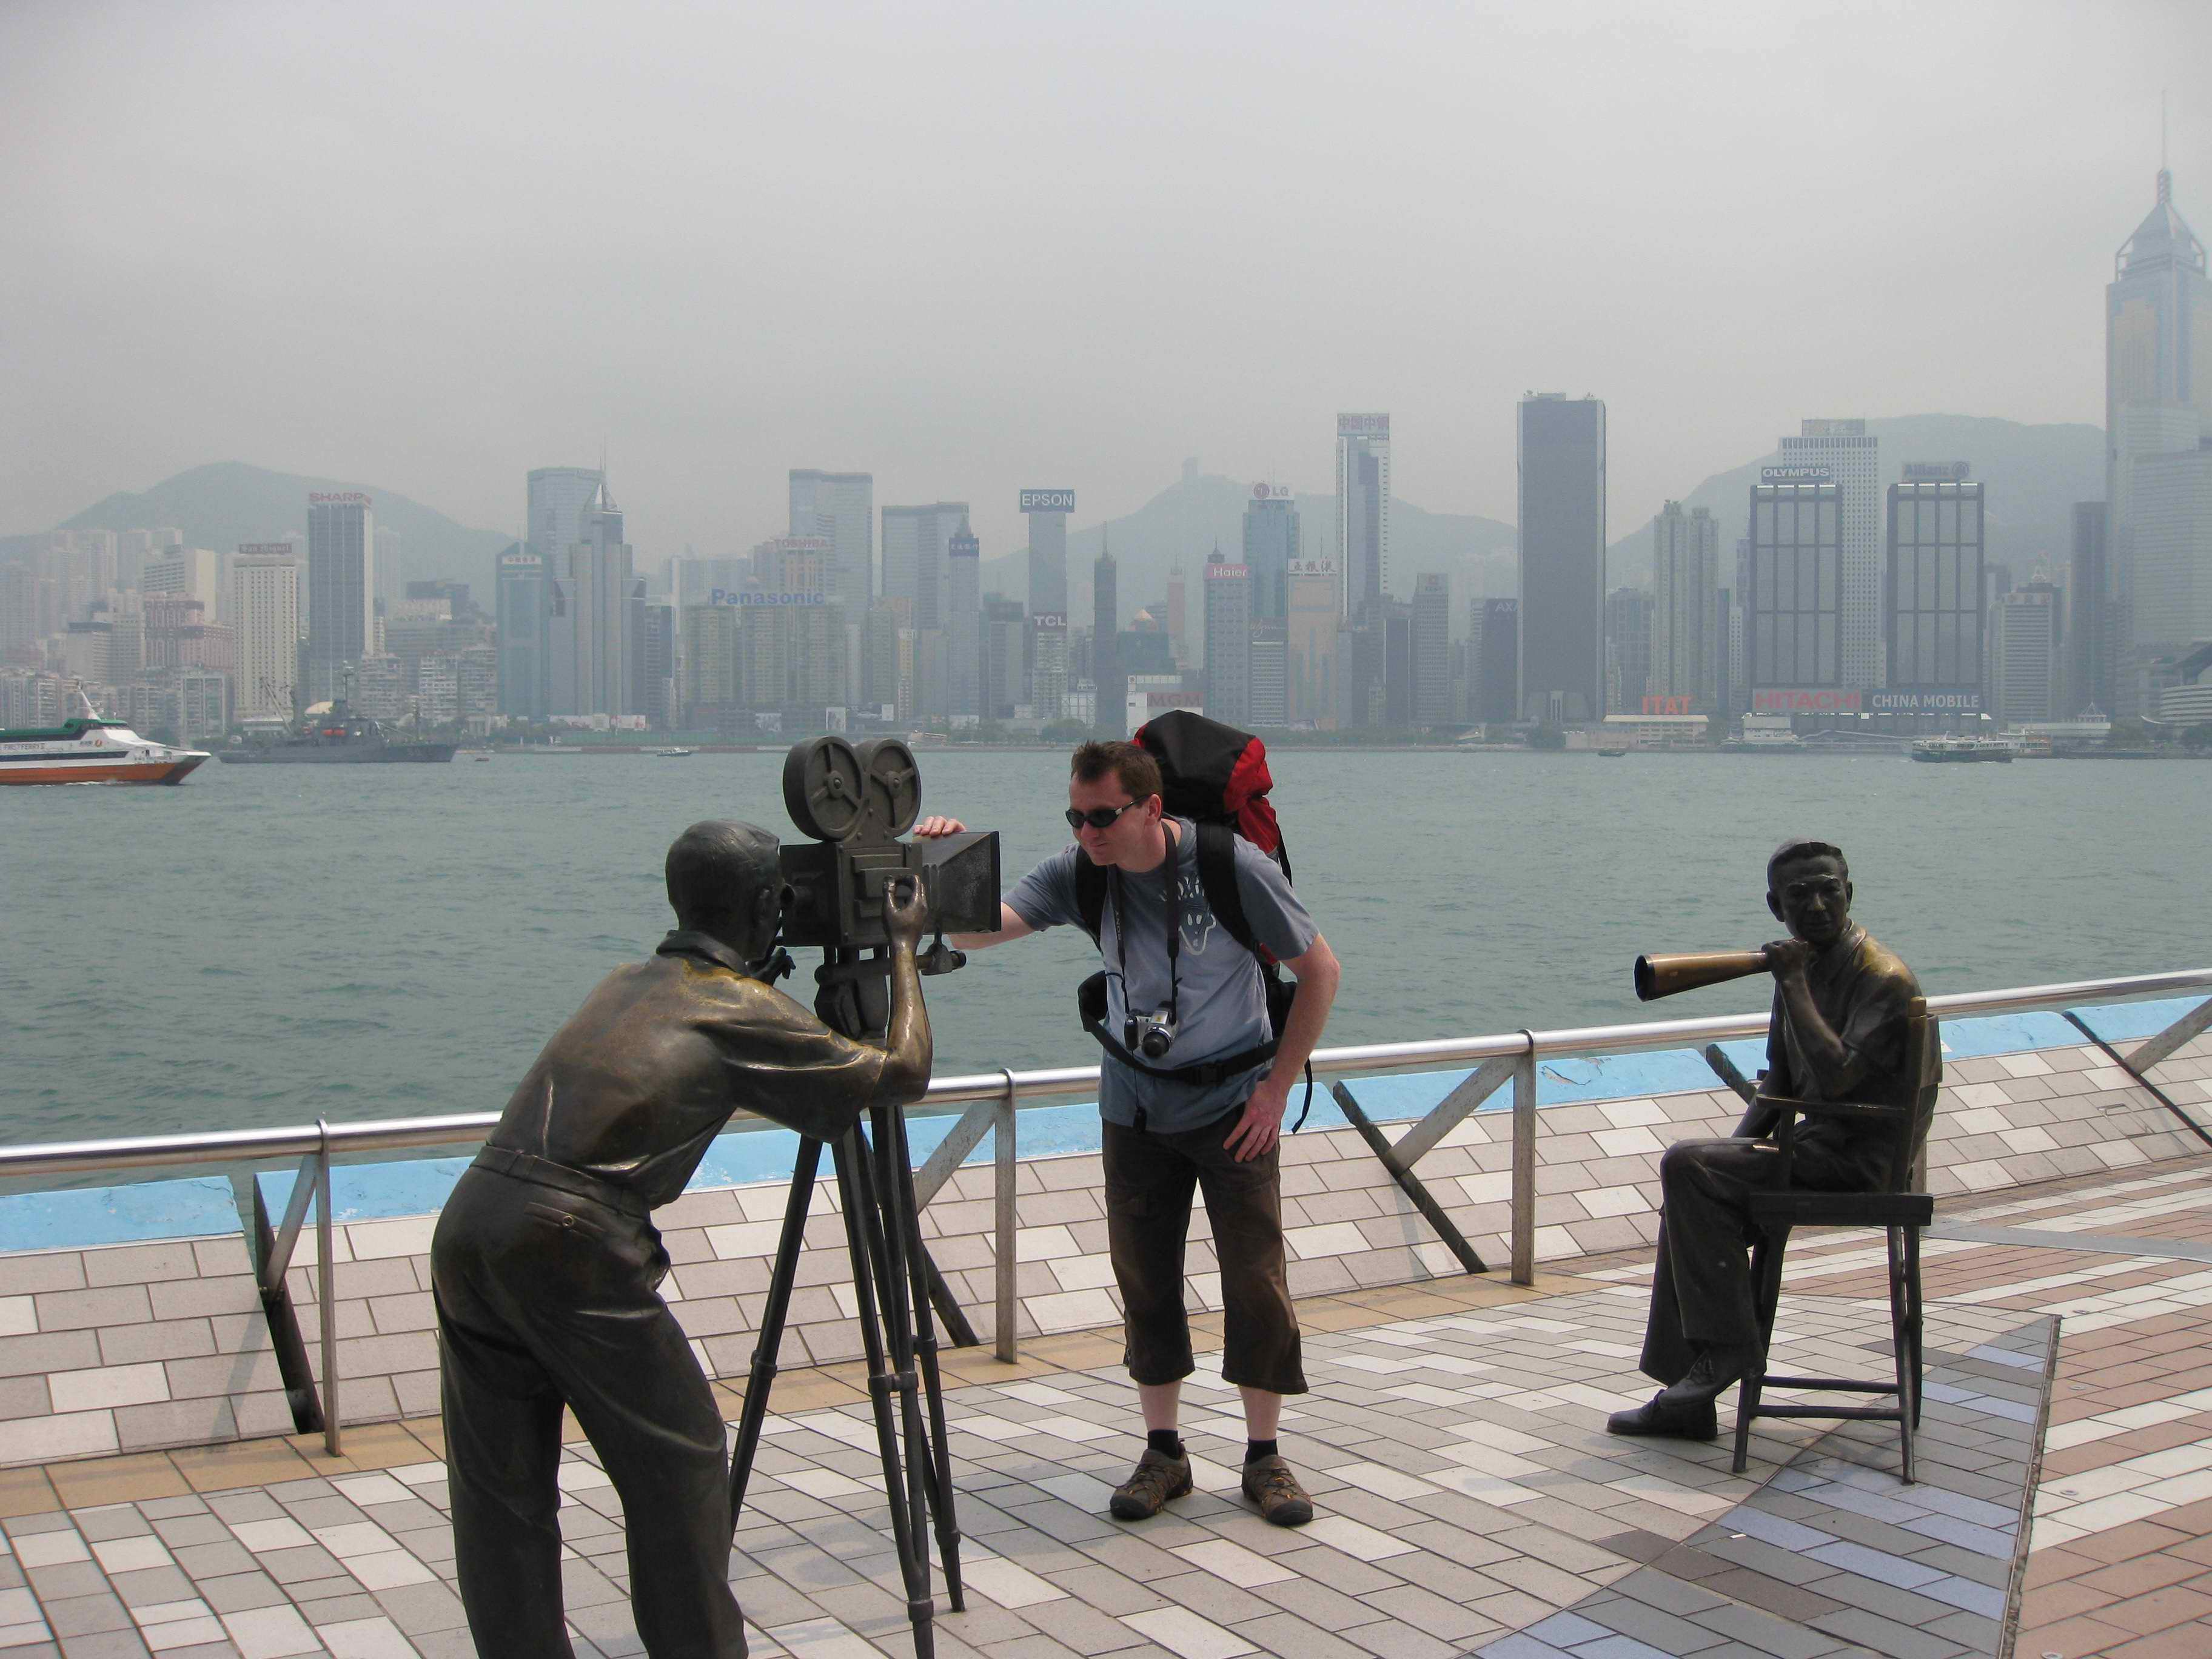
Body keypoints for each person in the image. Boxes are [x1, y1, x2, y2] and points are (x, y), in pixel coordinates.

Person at [429, 822, 934, 1659]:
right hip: (569, 1241)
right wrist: (904, 946)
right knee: (682, 1468)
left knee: (501, 1496)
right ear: (770, 905)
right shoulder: (738, 1006)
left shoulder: (626, 982)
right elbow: (901, 1073)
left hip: (472, 1221)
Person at [916, 739, 1341, 1527]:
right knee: (1145, 1279)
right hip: (1135, 1109)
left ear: (1152, 808)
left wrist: (1276, 1091)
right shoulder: (1081, 872)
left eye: (1104, 817)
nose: (1088, 833)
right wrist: (943, 862)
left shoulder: (1232, 867)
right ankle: (1163, 1453)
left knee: (1256, 1280)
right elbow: (978, 933)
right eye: (1076, 818)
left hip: (1235, 1108)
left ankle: (1264, 1456)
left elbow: (1321, 971)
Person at [1607, 836, 1939, 1441]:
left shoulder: (1882, 978)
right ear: (1775, 906)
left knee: (1689, 1171)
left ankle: (1726, 1353)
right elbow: (1779, 1084)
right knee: (1690, 1183)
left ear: (1849, 893)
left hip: (1863, 1165)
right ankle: (1691, 1394)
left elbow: (1837, 1078)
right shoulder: (1804, 969)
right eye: (1799, 896)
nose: (1816, 906)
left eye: (1829, 892)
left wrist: (1791, 984)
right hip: (1815, 1148)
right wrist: (1726, 1159)